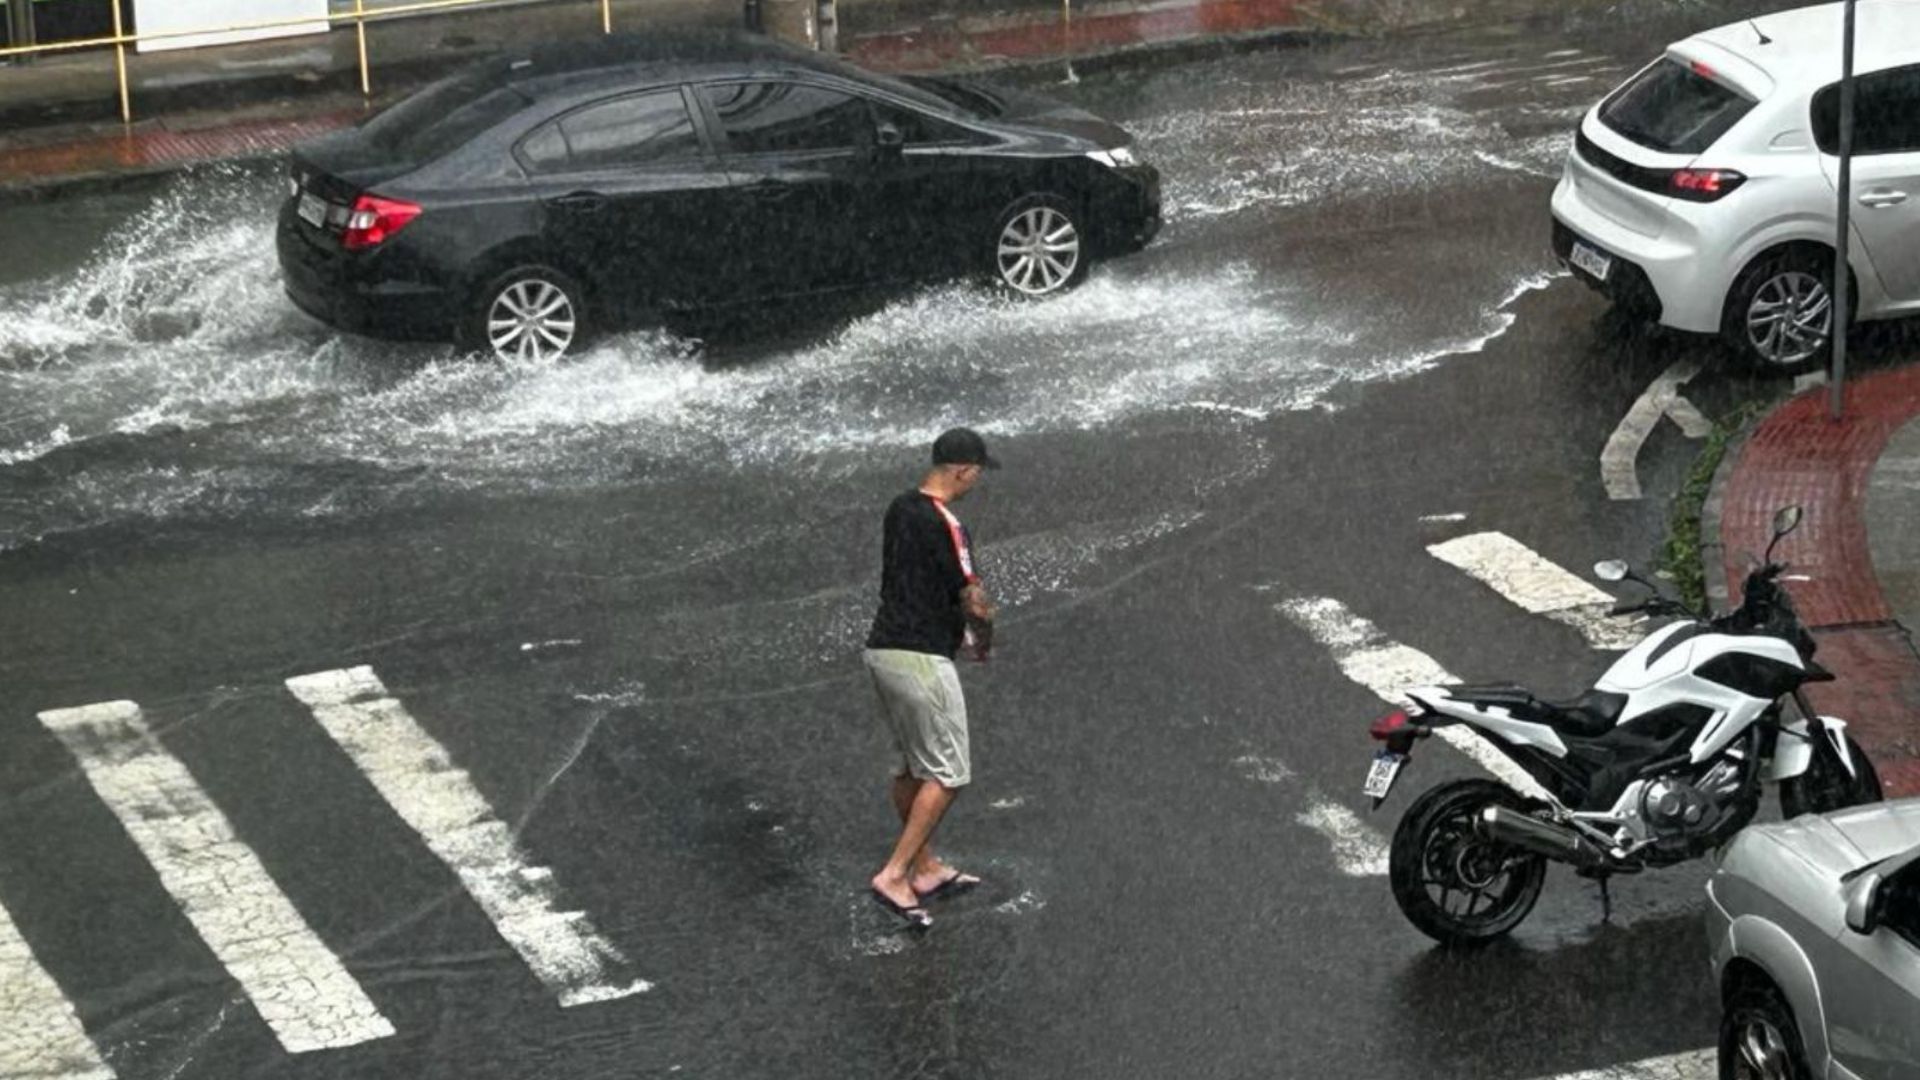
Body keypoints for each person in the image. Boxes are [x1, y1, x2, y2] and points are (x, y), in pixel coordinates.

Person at [863, 427, 999, 929]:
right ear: (964, 469)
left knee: (911, 770)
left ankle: (924, 868)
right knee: (947, 773)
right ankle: (895, 874)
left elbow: (916, 576)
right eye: (977, 473)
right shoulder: (949, 523)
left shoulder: (900, 508)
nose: (976, 482)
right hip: (922, 657)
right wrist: (983, 638)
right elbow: (972, 595)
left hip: (883, 651)